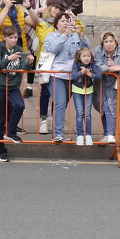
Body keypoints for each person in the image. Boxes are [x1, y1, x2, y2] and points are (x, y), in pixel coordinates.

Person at [42, 11, 88, 143]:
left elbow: (86, 50)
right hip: (56, 75)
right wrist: (64, 36)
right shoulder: (51, 36)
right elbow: (52, 48)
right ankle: (57, 134)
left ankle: (57, 130)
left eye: (67, 21)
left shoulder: (74, 36)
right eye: (62, 21)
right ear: (56, 24)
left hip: (72, 75)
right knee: (60, 103)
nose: (66, 24)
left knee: (63, 104)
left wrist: (81, 34)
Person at [0, 26, 33, 160]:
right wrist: (9, 58)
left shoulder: (19, 50)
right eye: (11, 37)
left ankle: (10, 131)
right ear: (5, 38)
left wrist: (29, 62)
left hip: (13, 86)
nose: (14, 40)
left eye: (15, 37)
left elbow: (24, 67)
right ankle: (1, 150)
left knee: (20, 105)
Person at [93, 31, 120, 145]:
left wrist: (117, 66)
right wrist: (114, 68)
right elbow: (97, 66)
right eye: (106, 42)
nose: (108, 44)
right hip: (101, 85)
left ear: (115, 42)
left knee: (110, 108)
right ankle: (107, 134)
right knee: (103, 109)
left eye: (111, 41)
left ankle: (111, 134)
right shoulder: (98, 51)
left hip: (117, 86)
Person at [22, 0, 53, 97]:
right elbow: (26, 12)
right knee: (32, 56)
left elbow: (51, 13)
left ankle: (44, 84)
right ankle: (29, 86)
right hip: (31, 28)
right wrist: (38, 10)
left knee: (43, 54)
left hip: (44, 27)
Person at [69, 46, 102, 146]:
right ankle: (79, 135)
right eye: (84, 56)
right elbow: (73, 76)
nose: (86, 58)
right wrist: (81, 72)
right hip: (77, 90)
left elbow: (99, 76)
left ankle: (88, 135)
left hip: (89, 91)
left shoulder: (93, 65)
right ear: (79, 57)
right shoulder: (76, 64)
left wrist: (89, 74)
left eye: (88, 56)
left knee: (87, 113)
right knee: (80, 112)